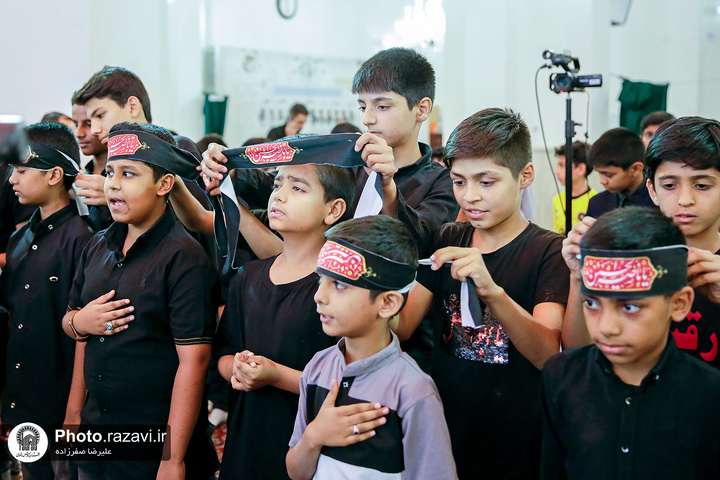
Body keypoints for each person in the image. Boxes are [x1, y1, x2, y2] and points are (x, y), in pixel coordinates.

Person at [393, 108, 569, 479]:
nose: (469, 196)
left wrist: (492, 291)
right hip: (446, 424)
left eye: (486, 182)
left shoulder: (548, 251)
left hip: (517, 436)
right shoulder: (447, 238)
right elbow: (403, 327)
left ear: (525, 175)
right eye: (459, 182)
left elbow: (548, 354)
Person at [61, 122, 218, 480]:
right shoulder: (97, 246)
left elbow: (193, 362)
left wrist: (172, 459)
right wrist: (73, 417)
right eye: (110, 172)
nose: (113, 183)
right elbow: (78, 328)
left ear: (164, 184)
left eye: (129, 173)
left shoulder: (184, 259)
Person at [541, 206, 720, 479]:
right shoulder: (561, 376)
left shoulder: (709, 394)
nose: (607, 328)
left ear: (679, 303)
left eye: (630, 308)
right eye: (592, 303)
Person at [214, 147, 356, 479]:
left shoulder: (339, 289)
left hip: (306, 449)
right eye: (278, 184)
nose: (279, 196)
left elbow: (344, 385)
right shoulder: (246, 277)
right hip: (246, 441)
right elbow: (222, 355)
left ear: (333, 210)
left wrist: (275, 375)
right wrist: (235, 366)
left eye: (297, 188)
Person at [286, 215, 457, 480]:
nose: (319, 295)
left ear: (388, 303)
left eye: (339, 284)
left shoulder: (412, 391)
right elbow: (297, 472)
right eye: (321, 280)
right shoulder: (317, 367)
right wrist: (313, 437)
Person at [0, 122, 94, 480]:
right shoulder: (19, 239)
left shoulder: (85, 240)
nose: (12, 179)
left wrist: (74, 412)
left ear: (55, 174)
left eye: (22, 170)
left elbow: (87, 336)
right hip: (25, 397)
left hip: (66, 401)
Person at [645, 116, 720, 368]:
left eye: (701, 185)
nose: (685, 199)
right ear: (652, 191)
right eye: (669, 185)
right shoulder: (635, 259)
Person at [585, 127, 654, 219]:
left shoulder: (659, 203)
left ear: (636, 169)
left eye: (608, 175)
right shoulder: (597, 203)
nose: (602, 181)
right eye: (599, 173)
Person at [552, 141, 596, 235]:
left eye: (562, 166)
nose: (556, 171)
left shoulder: (595, 201)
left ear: (580, 169)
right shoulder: (557, 199)